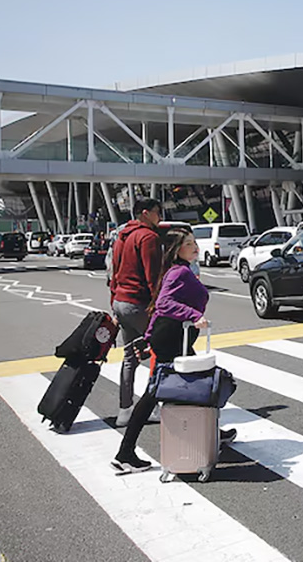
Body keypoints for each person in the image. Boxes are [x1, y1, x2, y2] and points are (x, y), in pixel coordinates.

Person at [111, 228, 236, 473]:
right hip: (172, 339)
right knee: (157, 393)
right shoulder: (179, 272)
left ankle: (211, 432)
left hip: (173, 338)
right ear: (177, 250)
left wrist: (148, 340)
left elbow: (158, 309)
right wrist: (194, 315)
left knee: (196, 382)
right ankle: (125, 452)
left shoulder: (179, 270)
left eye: (194, 243)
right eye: (189, 244)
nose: (196, 247)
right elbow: (163, 304)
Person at [110, 198, 163, 427]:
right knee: (161, 351)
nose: (159, 216)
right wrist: (160, 306)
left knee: (129, 357)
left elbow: (114, 271)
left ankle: (125, 410)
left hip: (121, 301)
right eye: (157, 212)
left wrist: (113, 301)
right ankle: (157, 406)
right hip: (139, 303)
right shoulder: (148, 237)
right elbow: (153, 277)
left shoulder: (122, 237)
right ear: (145, 213)